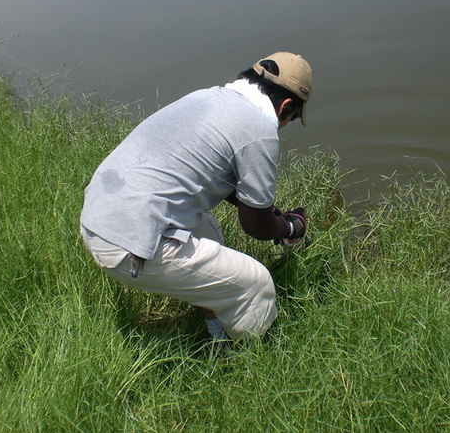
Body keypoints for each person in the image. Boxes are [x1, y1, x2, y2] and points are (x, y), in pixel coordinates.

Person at [80, 52, 313, 343]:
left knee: (210, 232)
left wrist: (270, 212)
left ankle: (216, 334)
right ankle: (251, 360)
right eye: (290, 119)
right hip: (127, 245)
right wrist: (291, 228)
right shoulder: (259, 129)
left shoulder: (208, 98)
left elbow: (218, 179)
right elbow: (255, 226)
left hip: (97, 219)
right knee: (255, 283)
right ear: (286, 106)